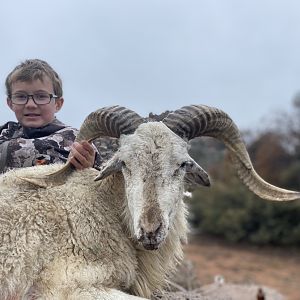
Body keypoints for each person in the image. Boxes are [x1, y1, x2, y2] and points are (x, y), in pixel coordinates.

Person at [0, 59, 97, 173]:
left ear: (57, 104)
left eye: (41, 96)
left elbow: (104, 183)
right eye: (21, 97)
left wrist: (89, 168)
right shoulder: (3, 134)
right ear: (10, 103)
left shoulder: (77, 141)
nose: (30, 105)